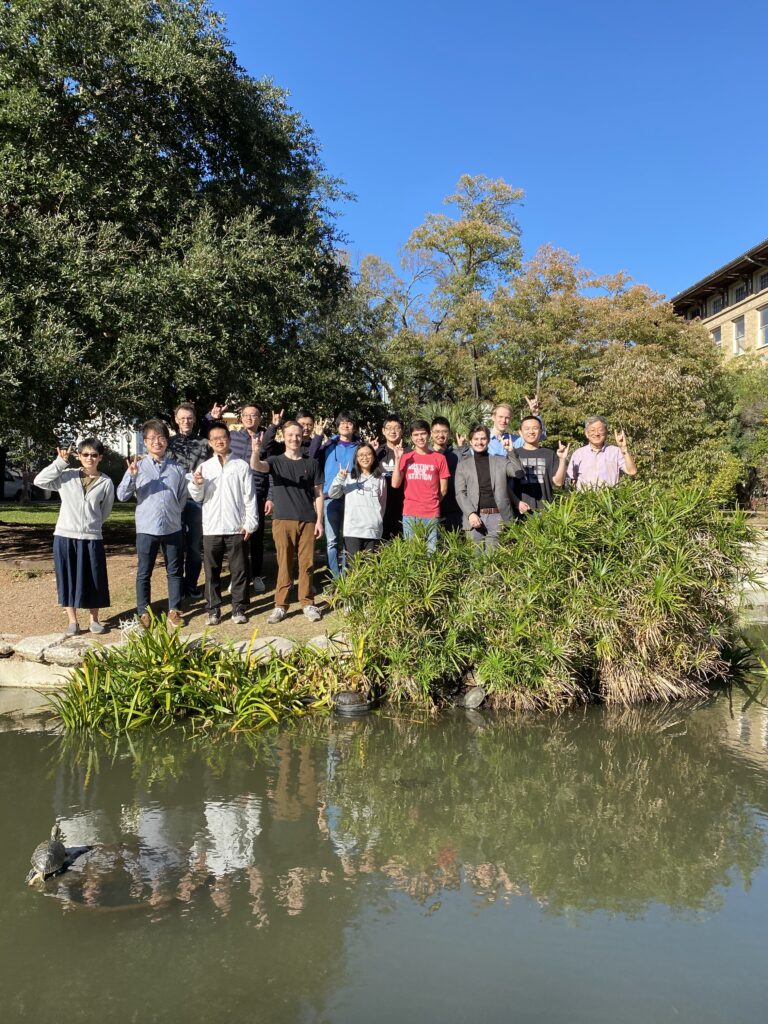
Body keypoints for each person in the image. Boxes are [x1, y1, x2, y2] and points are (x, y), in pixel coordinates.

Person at [33, 439, 115, 635]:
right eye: (85, 454)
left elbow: (105, 511)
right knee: (67, 577)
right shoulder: (66, 476)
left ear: (100, 458)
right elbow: (39, 481)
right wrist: (59, 463)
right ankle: (72, 621)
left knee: (94, 579)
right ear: (78, 456)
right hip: (65, 535)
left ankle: (94, 619)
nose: (89, 458)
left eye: (94, 455)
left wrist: (91, 525)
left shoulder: (106, 482)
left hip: (92, 537)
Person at [250, 419, 324, 624]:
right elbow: (257, 466)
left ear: (303, 436)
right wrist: (255, 451)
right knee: (284, 564)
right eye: (290, 435)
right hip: (283, 519)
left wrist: (319, 521)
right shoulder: (275, 461)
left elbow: (318, 493)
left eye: (298, 435)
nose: (295, 438)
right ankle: (280, 606)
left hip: (307, 520)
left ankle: (308, 603)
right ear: (283, 437)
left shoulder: (312, 463)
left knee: (307, 564)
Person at [117, 419, 188, 628]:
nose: (157, 442)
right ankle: (143, 612)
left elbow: (183, 497)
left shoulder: (177, 469)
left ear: (166, 441)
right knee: (144, 572)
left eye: (161, 438)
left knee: (174, 571)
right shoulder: (136, 467)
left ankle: (174, 610)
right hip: (147, 528)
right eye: (152, 438)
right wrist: (131, 476)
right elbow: (121, 496)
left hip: (172, 527)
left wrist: (174, 512)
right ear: (145, 442)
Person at [188, 421, 257, 626]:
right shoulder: (205, 467)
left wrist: (250, 523)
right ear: (210, 443)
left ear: (229, 439)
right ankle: (213, 609)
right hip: (211, 527)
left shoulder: (241, 465)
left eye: (223, 437)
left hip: (236, 526)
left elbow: (249, 497)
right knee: (212, 571)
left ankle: (239, 607)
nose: (219, 441)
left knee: (239, 569)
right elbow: (198, 497)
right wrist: (197, 483)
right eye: (215, 438)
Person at [167, 402, 211, 601]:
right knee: (175, 545)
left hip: (195, 500)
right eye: (182, 418)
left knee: (194, 546)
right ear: (176, 420)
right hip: (173, 500)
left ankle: (191, 585)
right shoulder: (168, 442)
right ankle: (177, 587)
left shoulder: (204, 443)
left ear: (194, 419)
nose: (186, 421)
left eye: (189, 418)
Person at [226, 404, 270, 596]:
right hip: (236, 495)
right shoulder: (232, 437)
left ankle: (257, 575)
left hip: (258, 494)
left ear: (260, 418)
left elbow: (272, 470)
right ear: (241, 418)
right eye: (246, 415)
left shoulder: (267, 438)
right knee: (236, 538)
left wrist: (270, 497)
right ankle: (237, 577)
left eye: (254, 415)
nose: (250, 418)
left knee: (257, 538)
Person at [455, 425, 523, 548]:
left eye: (483, 439)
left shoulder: (500, 461)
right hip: (474, 517)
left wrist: (511, 451)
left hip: (498, 517)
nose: (479, 442)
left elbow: (518, 473)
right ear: (470, 442)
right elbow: (460, 493)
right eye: (476, 439)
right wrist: (470, 513)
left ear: (488, 440)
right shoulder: (463, 465)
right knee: (476, 560)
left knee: (494, 561)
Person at [391, 419, 450, 553]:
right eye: (416, 435)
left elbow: (443, 489)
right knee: (412, 553)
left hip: (431, 513)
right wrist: (398, 459)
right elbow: (395, 484)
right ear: (411, 437)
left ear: (429, 435)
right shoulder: (406, 457)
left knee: (431, 552)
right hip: (410, 513)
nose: (420, 438)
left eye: (423, 434)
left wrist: (431, 502)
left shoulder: (439, 458)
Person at [316, 411, 359, 578]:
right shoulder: (328, 445)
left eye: (349, 422)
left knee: (348, 540)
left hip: (351, 497)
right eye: (342, 423)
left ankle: (346, 576)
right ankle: (334, 578)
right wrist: (319, 438)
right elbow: (312, 457)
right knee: (332, 541)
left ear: (354, 426)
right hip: (330, 497)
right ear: (337, 426)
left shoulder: (359, 447)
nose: (345, 425)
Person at [328, 444, 387, 563]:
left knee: (371, 568)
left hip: (373, 530)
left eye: (368, 454)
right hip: (353, 530)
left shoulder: (380, 478)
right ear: (356, 458)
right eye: (361, 455)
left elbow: (382, 504)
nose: (365, 457)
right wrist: (340, 478)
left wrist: (378, 521)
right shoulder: (349, 477)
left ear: (374, 457)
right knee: (354, 568)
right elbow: (333, 494)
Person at [511, 416, 569, 516]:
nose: (531, 431)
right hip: (521, 511)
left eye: (535, 428)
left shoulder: (549, 454)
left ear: (541, 431)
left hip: (546, 511)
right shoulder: (514, 454)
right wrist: (517, 502)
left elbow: (558, 483)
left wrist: (562, 459)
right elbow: (506, 486)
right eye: (527, 429)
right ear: (520, 432)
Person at [566, 416, 638, 490]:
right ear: (586, 433)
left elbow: (632, 471)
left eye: (600, 430)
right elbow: (571, 480)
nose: (597, 434)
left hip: (610, 499)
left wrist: (624, 449)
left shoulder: (616, 451)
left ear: (606, 432)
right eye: (592, 430)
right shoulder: (578, 454)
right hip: (585, 499)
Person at [374, 413, 407, 539]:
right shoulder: (377, 452)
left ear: (402, 430)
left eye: (396, 427)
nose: (392, 431)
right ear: (383, 431)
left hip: (403, 505)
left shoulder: (409, 452)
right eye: (388, 428)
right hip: (381, 506)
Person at [430, 416, 464, 531]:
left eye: (444, 431)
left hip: (454, 510)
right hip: (432, 510)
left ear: (449, 433)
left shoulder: (456, 455)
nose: (440, 435)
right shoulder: (426, 455)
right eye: (437, 432)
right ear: (431, 433)